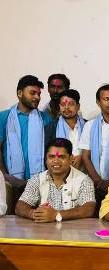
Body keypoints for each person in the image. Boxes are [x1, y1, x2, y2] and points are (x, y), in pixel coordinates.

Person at [0, 75, 53, 211]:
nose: (37, 97)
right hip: (10, 181)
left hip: (39, 182)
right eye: (32, 93)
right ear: (19, 93)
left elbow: (50, 150)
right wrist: (5, 175)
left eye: (39, 94)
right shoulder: (4, 117)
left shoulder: (46, 119)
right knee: (9, 219)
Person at [15, 138, 95, 222]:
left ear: (71, 158)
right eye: (51, 157)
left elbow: (89, 209)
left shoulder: (84, 180)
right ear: (46, 159)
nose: (56, 161)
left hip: (73, 229)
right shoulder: (37, 179)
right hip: (43, 229)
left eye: (61, 157)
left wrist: (57, 215)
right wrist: (35, 214)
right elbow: (20, 206)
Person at [44, 89, 86, 170]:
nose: (66, 107)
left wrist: (82, 157)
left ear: (78, 106)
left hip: (85, 172)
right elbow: (47, 155)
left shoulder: (87, 126)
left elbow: (94, 150)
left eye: (71, 104)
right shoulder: (51, 128)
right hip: (59, 172)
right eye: (63, 104)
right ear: (59, 106)